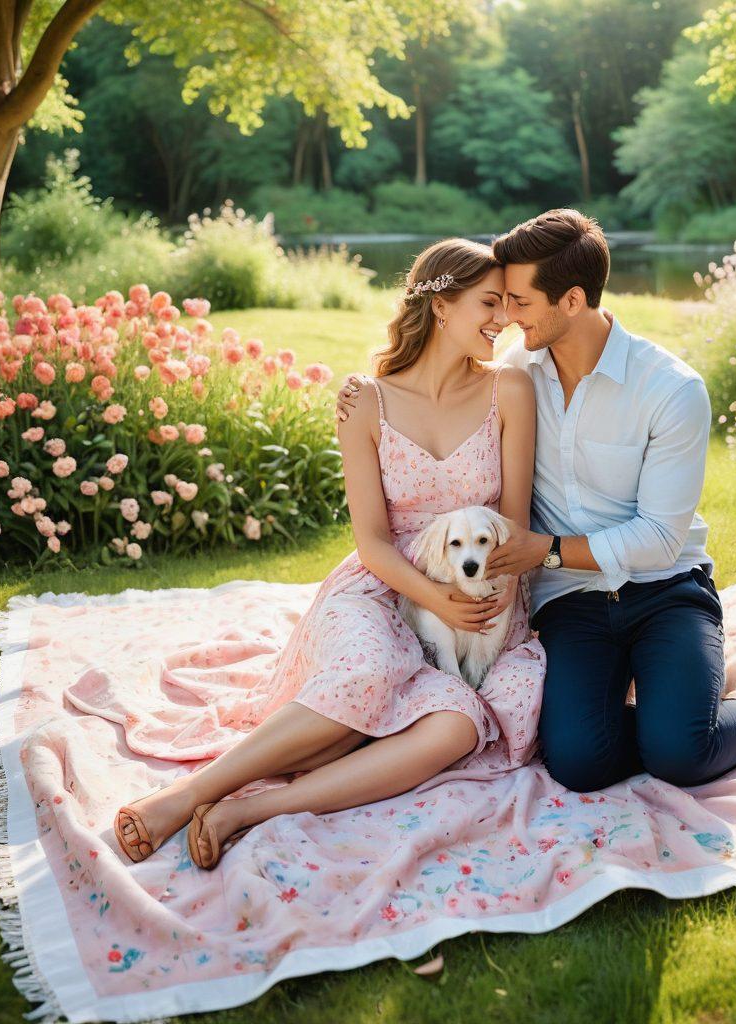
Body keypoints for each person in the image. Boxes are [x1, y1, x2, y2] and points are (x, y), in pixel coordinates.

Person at [338, 209, 736, 794]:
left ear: (571, 300)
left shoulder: (670, 389)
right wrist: (362, 387)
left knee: (680, 752)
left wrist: (543, 551)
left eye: (519, 302)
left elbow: (658, 540)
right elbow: (433, 376)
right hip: (572, 601)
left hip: (667, 590)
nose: (504, 318)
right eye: (497, 303)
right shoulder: (516, 377)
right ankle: (658, 716)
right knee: (578, 763)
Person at [113, 238, 545, 869]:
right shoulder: (365, 401)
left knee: (455, 729)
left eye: (507, 305)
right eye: (488, 302)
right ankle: (189, 795)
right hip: (383, 584)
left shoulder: (509, 389)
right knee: (367, 675)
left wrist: (482, 596)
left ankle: (250, 808)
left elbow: (514, 520)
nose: (502, 319)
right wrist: (431, 598)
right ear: (443, 306)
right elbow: (370, 540)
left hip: (480, 590)